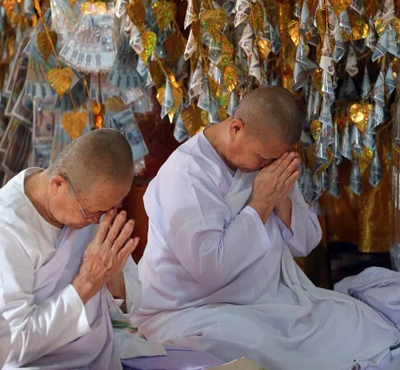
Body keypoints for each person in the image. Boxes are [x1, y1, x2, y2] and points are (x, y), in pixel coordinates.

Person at [134, 87, 400, 370]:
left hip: (270, 299)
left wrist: (280, 198)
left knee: (356, 325)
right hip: (194, 308)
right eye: (262, 158)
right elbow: (209, 267)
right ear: (236, 128)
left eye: (274, 160)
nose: (267, 166)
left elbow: (307, 242)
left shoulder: (267, 162)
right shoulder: (186, 174)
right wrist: (261, 201)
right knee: (249, 347)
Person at [0, 128, 222, 370]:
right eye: (91, 212)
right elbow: (15, 345)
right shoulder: (9, 228)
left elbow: (128, 310)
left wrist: (112, 276)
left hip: (101, 354)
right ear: (57, 184)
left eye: (109, 209)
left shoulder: (93, 210)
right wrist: (87, 282)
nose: (97, 221)